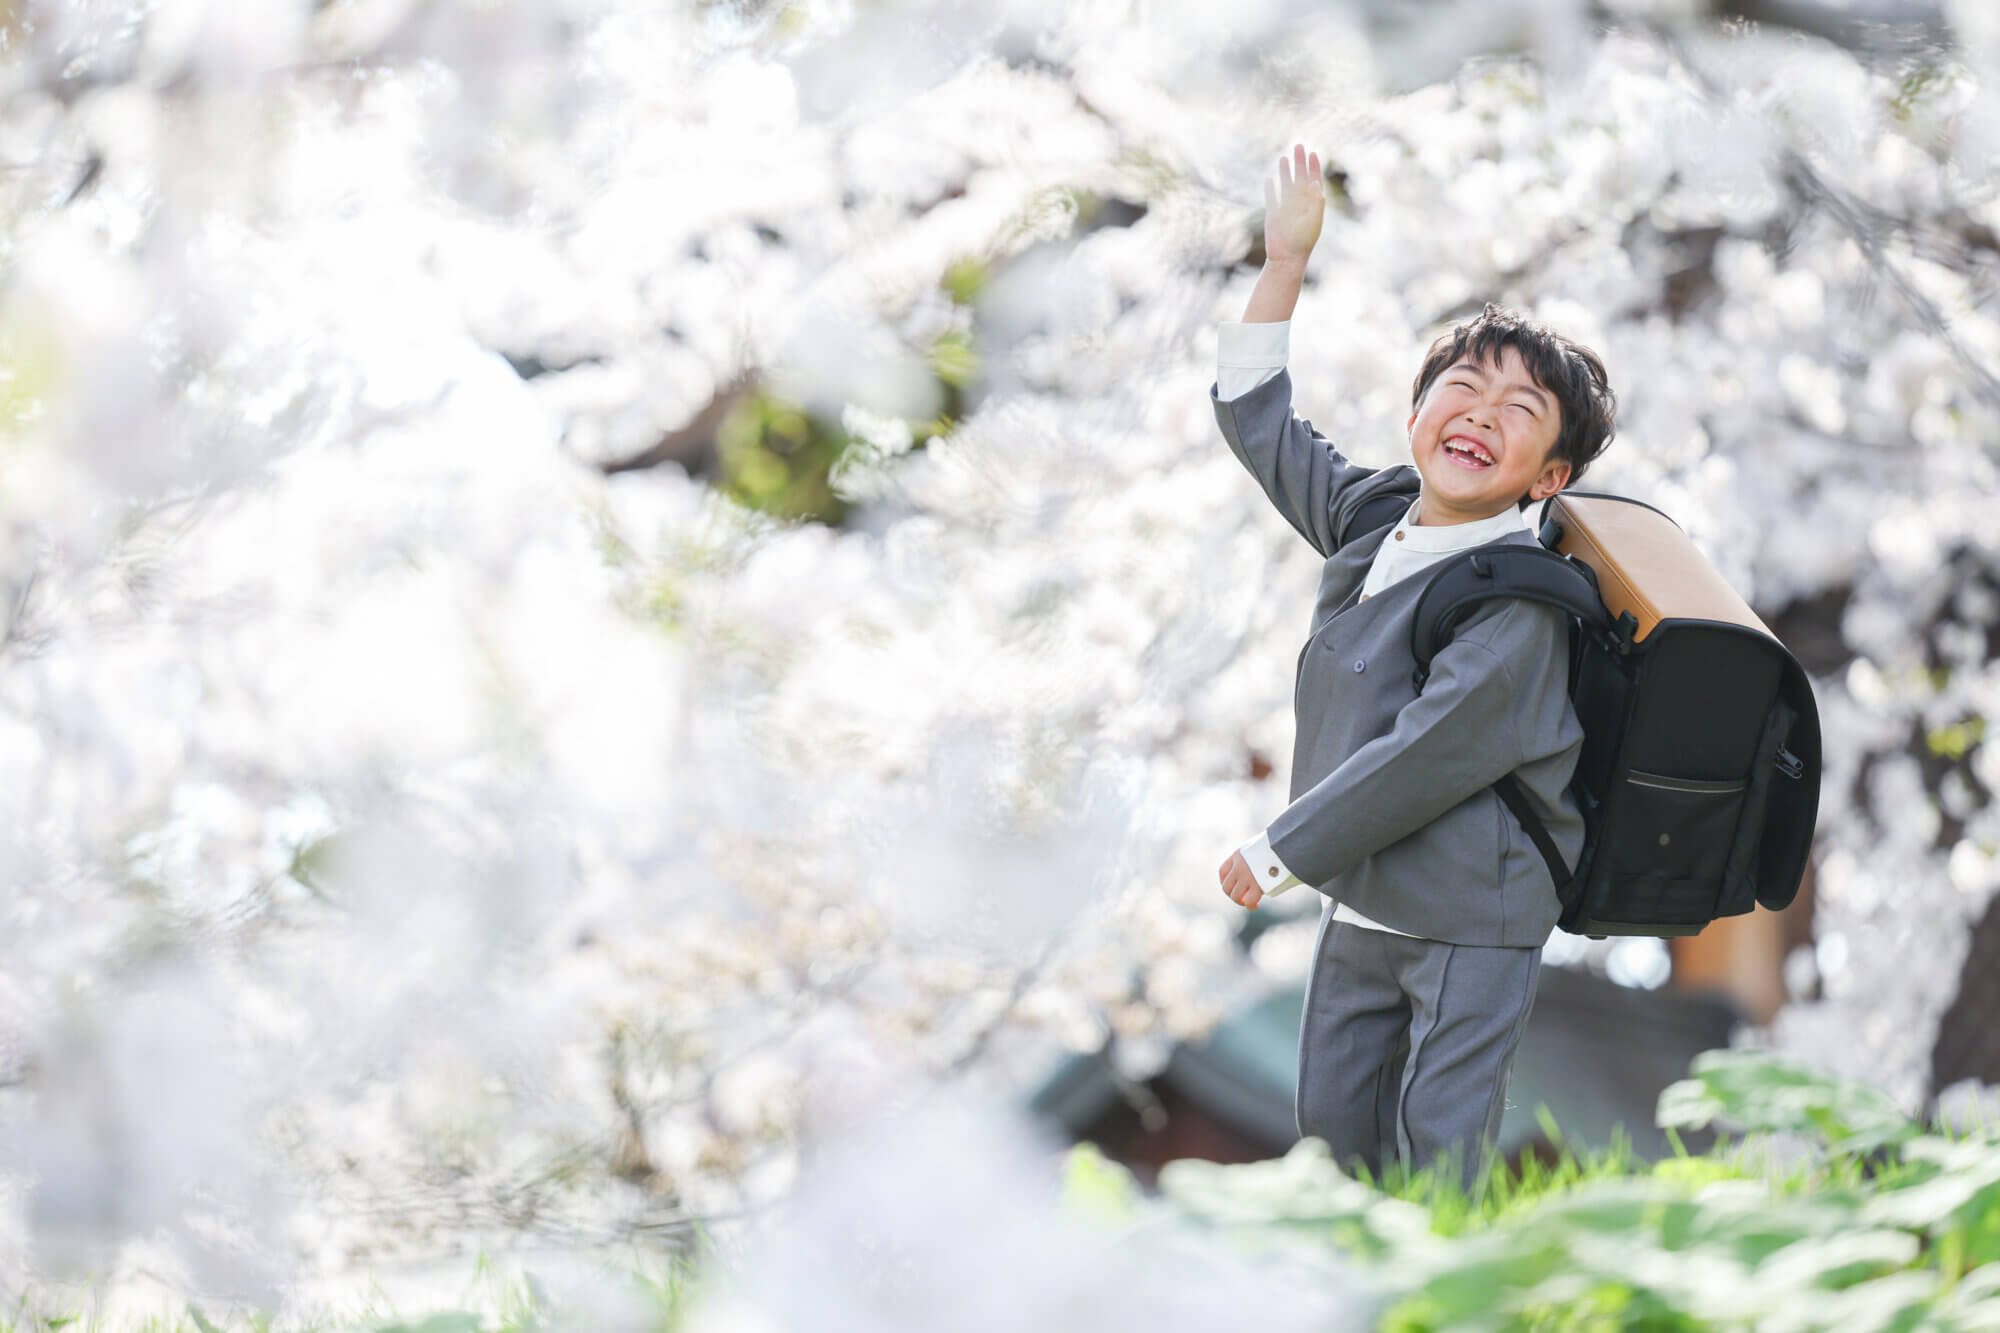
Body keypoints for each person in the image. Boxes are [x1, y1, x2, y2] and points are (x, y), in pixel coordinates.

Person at [1212, 143, 1617, 1194]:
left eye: (1519, 411)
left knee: (1441, 1148)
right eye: (1462, 386)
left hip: (1469, 917)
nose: (1480, 414)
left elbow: (1423, 751)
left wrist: (1277, 849)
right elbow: (1256, 421)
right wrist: (1283, 267)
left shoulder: (1522, 603)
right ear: (1414, 409)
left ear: (1551, 477)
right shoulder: (1372, 515)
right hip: (1364, 899)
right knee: (1328, 1147)